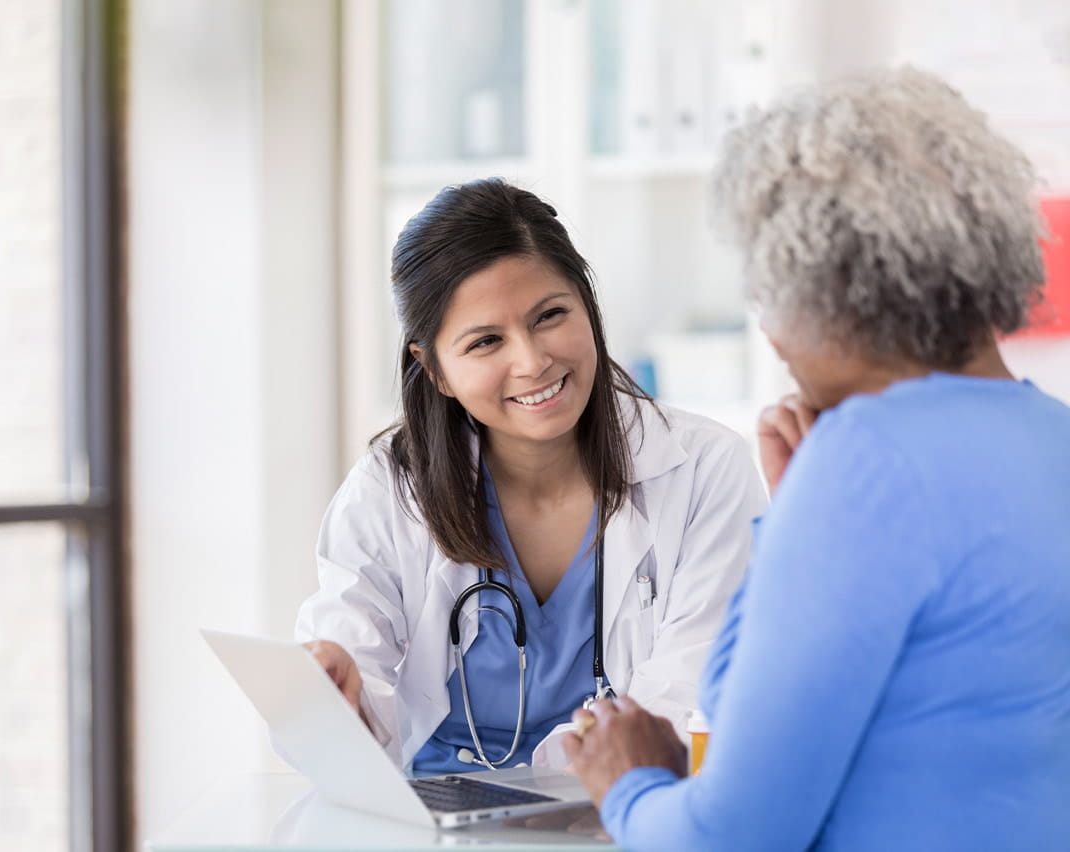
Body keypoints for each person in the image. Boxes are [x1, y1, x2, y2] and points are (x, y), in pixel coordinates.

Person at [562, 67, 1070, 850]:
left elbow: (727, 840)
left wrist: (628, 781)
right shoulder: (1051, 439)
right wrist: (798, 514)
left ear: (820, 286)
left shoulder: (867, 464)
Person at [293, 178, 768, 776]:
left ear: (587, 307)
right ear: (434, 369)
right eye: (486, 341)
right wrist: (335, 697)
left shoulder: (704, 470)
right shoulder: (388, 491)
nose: (532, 360)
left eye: (550, 316)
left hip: (619, 811)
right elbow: (346, 672)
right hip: (435, 823)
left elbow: (693, 693)